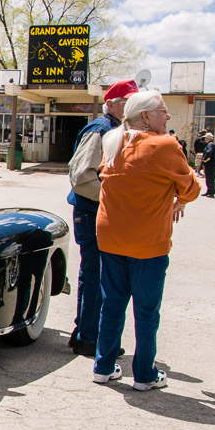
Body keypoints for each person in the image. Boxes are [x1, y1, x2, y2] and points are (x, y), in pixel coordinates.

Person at [92, 91, 199, 390]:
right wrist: (179, 197)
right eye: (163, 110)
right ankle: (144, 374)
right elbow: (191, 188)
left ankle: (103, 366)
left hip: (111, 237)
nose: (168, 115)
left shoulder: (114, 142)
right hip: (147, 241)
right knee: (147, 310)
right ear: (147, 116)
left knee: (112, 304)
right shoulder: (165, 145)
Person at [66, 79, 138, 357]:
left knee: (95, 275)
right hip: (92, 212)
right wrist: (117, 200)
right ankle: (89, 338)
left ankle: (86, 333)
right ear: (111, 104)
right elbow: (82, 177)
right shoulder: (101, 130)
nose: (131, 107)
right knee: (97, 275)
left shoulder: (116, 129)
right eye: (127, 102)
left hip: (97, 211)